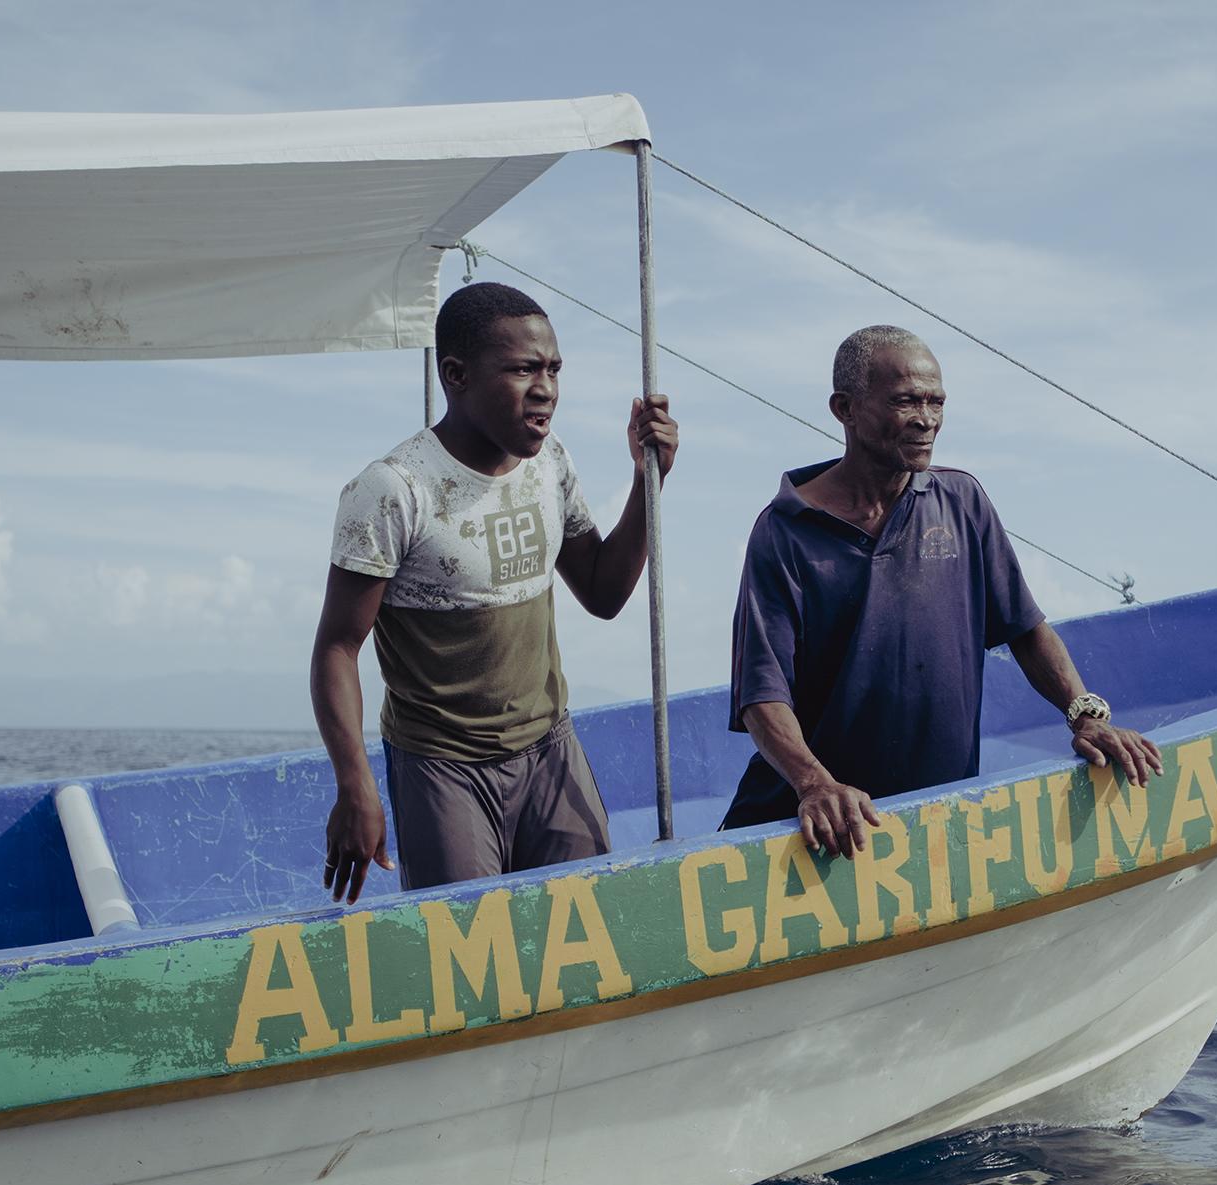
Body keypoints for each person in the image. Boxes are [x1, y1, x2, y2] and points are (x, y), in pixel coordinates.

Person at [723, 325, 1160, 855]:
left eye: (936, 402)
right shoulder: (784, 530)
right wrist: (815, 784)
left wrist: (1086, 716)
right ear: (845, 408)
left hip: (929, 823)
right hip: (816, 830)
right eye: (906, 401)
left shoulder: (962, 502)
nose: (926, 420)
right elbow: (762, 694)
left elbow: (1024, 629)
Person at [313, 281, 678, 901]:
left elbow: (602, 591)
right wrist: (356, 786)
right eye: (523, 369)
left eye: (555, 370)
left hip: (548, 748)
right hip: (442, 764)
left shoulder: (549, 463)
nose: (547, 389)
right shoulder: (394, 489)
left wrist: (651, 482)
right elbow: (337, 648)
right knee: (468, 954)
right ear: (455, 375)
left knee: (585, 926)